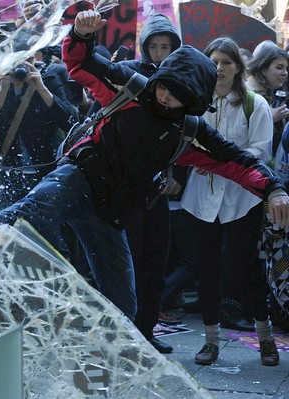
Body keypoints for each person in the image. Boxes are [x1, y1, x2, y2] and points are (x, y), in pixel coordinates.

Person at [0, 10, 289, 328]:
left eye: (177, 94)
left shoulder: (189, 131)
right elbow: (80, 63)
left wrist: (273, 189)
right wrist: (82, 32)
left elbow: (238, 162)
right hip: (77, 177)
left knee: (123, 304)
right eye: (165, 87)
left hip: (112, 213)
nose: (165, 96)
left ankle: (108, 366)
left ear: (192, 99)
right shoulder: (130, 87)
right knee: (29, 212)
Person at [181, 37, 278, 365]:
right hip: (200, 199)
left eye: (226, 61)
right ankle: (210, 340)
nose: (219, 68)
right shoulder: (195, 103)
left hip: (242, 199)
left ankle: (265, 337)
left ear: (238, 66)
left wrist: (213, 161)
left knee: (246, 268)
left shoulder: (255, 104)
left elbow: (260, 152)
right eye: (214, 61)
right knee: (206, 270)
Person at [113, 12, 183, 353]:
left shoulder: (185, 83)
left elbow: (189, 136)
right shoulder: (132, 79)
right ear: (144, 48)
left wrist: (177, 178)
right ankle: (126, 332)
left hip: (160, 191)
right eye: (153, 46)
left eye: (165, 47)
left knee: (156, 262)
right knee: (129, 263)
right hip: (127, 188)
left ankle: (147, 330)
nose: (159, 53)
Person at [246, 43, 289, 153]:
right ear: (264, 69)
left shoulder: (274, 93)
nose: (285, 73)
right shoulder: (247, 94)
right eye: (279, 67)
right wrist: (270, 118)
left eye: (286, 68)